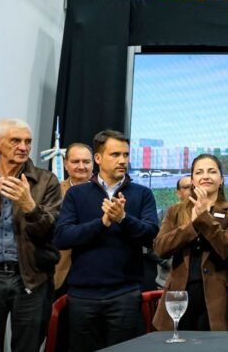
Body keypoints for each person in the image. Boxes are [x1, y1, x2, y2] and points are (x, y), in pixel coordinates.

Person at [54, 129, 159, 351]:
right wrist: (101, 224)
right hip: (83, 296)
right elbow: (62, 237)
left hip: (125, 294)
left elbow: (152, 236)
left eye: (126, 155)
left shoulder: (142, 194)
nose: (122, 160)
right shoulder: (77, 194)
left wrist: (123, 218)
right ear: (98, 158)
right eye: (115, 155)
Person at [0, 118, 62, 351]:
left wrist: (30, 206)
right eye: (16, 141)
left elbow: (51, 231)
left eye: (27, 141)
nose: (23, 147)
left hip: (31, 277)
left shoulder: (46, 180)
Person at [153, 154, 228, 331]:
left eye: (212, 171)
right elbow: (160, 248)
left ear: (221, 179)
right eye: (199, 172)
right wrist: (191, 227)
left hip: (220, 295)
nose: (206, 176)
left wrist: (203, 218)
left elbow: (227, 247)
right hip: (180, 293)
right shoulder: (175, 211)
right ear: (193, 180)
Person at [55, 143, 94, 294]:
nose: (81, 166)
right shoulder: (53, 191)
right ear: (65, 164)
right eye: (75, 161)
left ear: (94, 163)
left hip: (94, 270)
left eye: (86, 161)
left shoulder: (106, 192)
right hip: (60, 270)